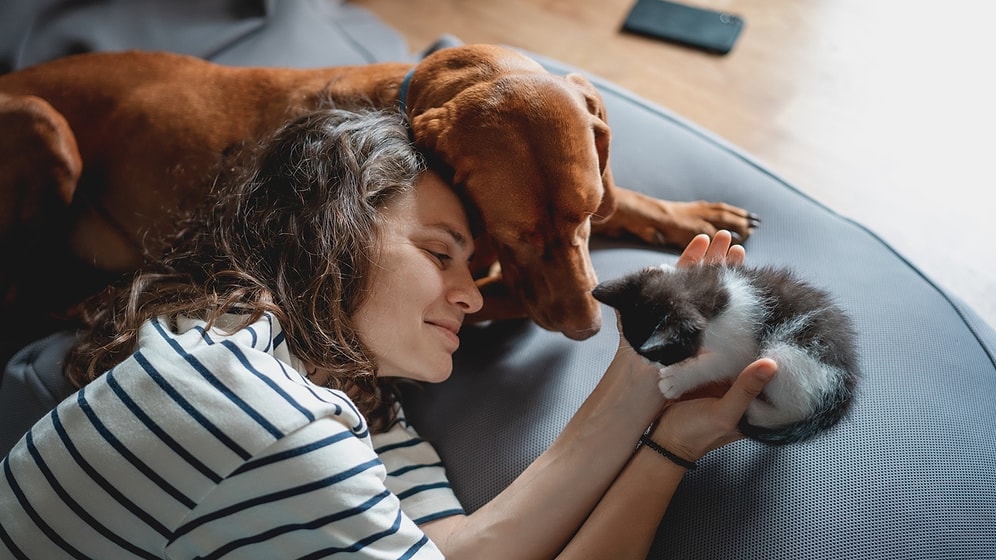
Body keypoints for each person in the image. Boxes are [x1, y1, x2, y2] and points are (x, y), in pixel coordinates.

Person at [0, 106, 775, 559]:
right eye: (440, 253)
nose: (472, 298)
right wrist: (664, 450)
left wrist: (650, 400)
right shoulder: (262, 410)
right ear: (328, 231)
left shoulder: (346, 394)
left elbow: (475, 548)